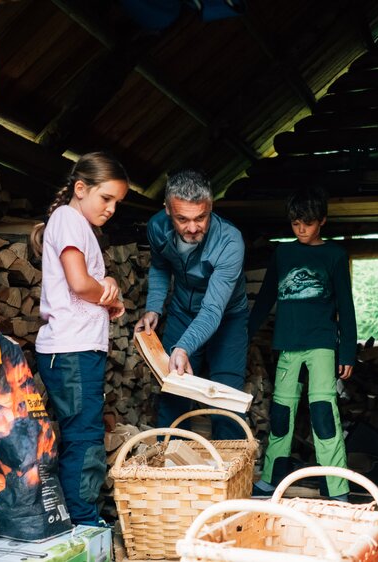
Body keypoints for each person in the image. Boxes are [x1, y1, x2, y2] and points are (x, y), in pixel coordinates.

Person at [31, 152, 128, 526]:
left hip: (76, 350)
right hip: (72, 350)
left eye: (117, 202)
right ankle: (84, 520)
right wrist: (111, 296)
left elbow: (91, 282)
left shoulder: (75, 224)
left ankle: (74, 515)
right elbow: (78, 283)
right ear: (81, 188)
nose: (111, 209)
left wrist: (108, 286)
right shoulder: (69, 219)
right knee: (84, 435)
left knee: (80, 431)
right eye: (106, 198)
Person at [248, 186, 356, 501]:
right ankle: (270, 480)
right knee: (281, 414)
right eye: (296, 224)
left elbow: (345, 307)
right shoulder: (283, 253)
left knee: (323, 412)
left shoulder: (334, 255)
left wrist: (347, 350)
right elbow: (266, 297)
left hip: (322, 343)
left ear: (321, 220)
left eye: (307, 223)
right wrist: (243, 336)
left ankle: (337, 488)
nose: (301, 230)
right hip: (288, 343)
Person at [135, 169, 249, 440]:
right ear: (167, 210)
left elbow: (212, 309)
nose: (193, 227)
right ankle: (172, 469)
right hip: (182, 312)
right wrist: (154, 307)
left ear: (210, 207)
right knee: (173, 390)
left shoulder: (230, 241)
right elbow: (161, 266)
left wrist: (183, 346)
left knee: (226, 397)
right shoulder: (156, 227)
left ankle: (228, 474)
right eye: (182, 219)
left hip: (227, 318)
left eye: (201, 217)